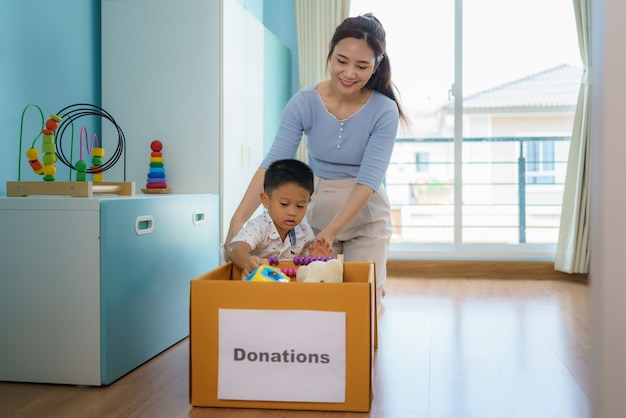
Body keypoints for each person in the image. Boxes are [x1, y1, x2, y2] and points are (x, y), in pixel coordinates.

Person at [225, 14, 408, 307]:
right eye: (342, 60)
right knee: (320, 298)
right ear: (330, 50)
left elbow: (370, 179)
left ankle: (365, 347)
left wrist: (331, 233)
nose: (349, 73)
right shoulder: (304, 101)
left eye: (362, 66)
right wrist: (237, 220)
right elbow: (274, 162)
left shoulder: (384, 110)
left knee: (364, 300)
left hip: (366, 213)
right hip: (318, 209)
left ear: (377, 64)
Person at [228, 158, 332, 277]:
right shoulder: (259, 227)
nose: (292, 212)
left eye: (300, 206)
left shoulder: (304, 232)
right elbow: (237, 249)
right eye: (284, 204)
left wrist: (316, 258)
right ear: (266, 200)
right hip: (258, 287)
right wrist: (247, 261)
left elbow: (304, 268)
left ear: (308, 202)